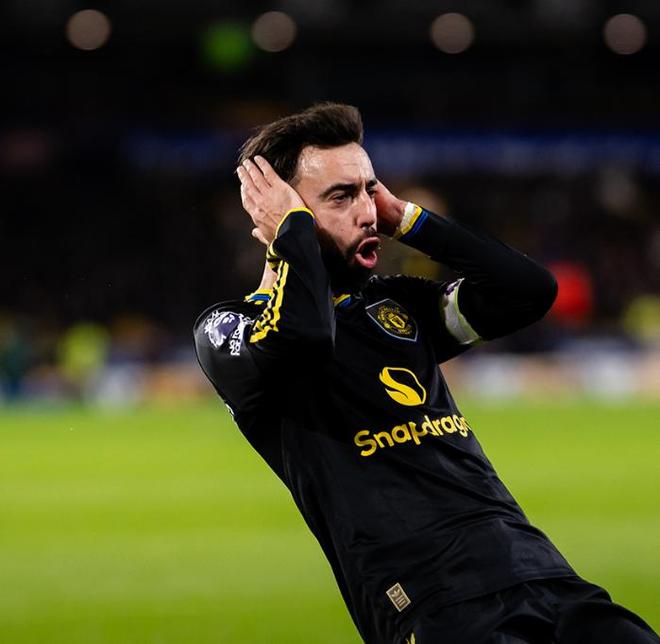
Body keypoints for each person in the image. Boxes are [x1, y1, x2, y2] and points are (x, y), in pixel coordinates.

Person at [193, 103, 658, 644]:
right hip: (436, 604)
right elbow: (305, 336)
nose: (367, 212)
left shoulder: (396, 305)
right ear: (274, 212)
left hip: (544, 574)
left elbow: (529, 291)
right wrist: (292, 232)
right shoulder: (231, 329)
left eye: (369, 190)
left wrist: (409, 220)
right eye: (341, 197)